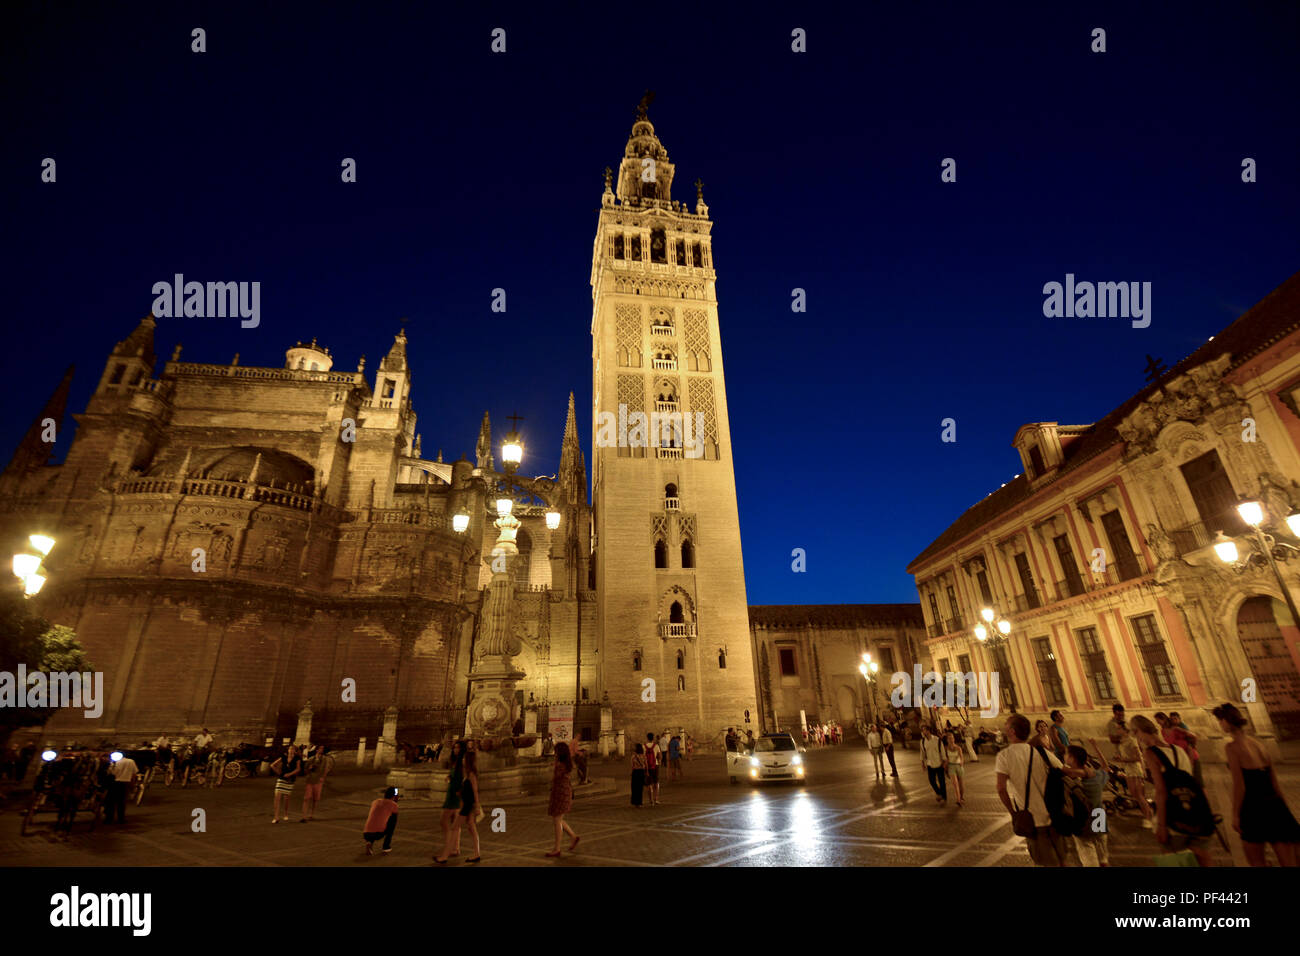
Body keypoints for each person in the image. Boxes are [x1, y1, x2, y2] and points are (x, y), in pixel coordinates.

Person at [1214, 702, 1299, 866]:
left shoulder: (1232, 748)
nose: (1220, 724)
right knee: (1289, 862)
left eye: (1220, 720)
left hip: (1253, 807)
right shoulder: (1260, 745)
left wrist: (1235, 814)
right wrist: (1284, 810)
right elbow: (1274, 782)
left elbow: (1240, 785)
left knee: (1256, 861)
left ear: (1225, 722)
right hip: (1275, 804)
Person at [1132, 715, 1214, 867]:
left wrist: (1162, 825)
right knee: (1202, 859)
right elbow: (1188, 780)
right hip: (1193, 813)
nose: (1137, 738)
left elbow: (1161, 791)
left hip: (1172, 817)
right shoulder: (1178, 750)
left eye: (1135, 733)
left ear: (1139, 731)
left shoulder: (1150, 753)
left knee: (1174, 860)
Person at [995, 713, 1071, 866]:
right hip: (1053, 814)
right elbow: (1065, 770)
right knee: (1063, 860)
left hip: (1033, 820)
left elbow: (1001, 788)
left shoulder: (1004, 756)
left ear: (1012, 732)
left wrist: (1013, 813)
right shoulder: (1040, 752)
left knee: (1045, 862)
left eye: (1006, 726)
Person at [1062, 744, 1109, 866]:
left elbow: (1065, 770)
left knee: (1086, 849)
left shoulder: (1071, 778)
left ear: (1072, 759)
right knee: (1102, 855)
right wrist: (1096, 747)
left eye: (1066, 754)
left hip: (1084, 819)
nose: (1064, 756)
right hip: (1099, 815)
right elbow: (1105, 767)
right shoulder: (1097, 776)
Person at [1107, 704, 1152, 828]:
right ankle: (1147, 815)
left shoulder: (1131, 740)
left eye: (1119, 729)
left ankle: (1149, 817)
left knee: (1139, 795)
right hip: (1128, 768)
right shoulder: (1122, 740)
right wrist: (1119, 758)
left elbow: (1138, 757)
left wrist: (1123, 759)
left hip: (1134, 769)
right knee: (1135, 795)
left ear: (1124, 729)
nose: (1117, 731)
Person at [435, 749, 481, 863]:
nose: (463, 760)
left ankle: (445, 856)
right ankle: (477, 854)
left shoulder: (471, 774)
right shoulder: (467, 773)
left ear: (469, 760)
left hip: (468, 806)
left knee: (454, 828)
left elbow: (475, 791)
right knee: (472, 829)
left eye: (465, 758)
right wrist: (460, 792)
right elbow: (468, 789)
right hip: (466, 804)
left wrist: (477, 806)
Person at [545, 741, 580, 856]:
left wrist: (554, 765)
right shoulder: (567, 763)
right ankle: (573, 837)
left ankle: (557, 848)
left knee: (557, 820)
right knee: (558, 819)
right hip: (563, 792)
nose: (555, 754)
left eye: (556, 752)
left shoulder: (560, 765)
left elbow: (555, 778)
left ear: (560, 753)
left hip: (561, 793)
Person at [435, 741, 467, 860]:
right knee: (455, 824)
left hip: (455, 796)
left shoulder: (463, 762)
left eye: (458, 747)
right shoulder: (455, 762)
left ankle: (449, 847)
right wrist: (449, 778)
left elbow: (465, 778)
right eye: (454, 748)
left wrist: (461, 791)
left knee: (443, 821)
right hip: (451, 793)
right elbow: (453, 776)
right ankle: (455, 848)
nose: (455, 750)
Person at [1155, 711, 1203, 788]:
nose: (1158, 723)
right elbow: (1169, 745)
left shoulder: (1176, 728)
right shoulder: (1163, 731)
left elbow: (1193, 737)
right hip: (1180, 759)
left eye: (1158, 721)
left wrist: (1192, 746)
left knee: (1198, 784)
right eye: (1157, 722)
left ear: (1164, 719)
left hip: (1190, 756)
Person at [103, 750, 139, 824]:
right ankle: (121, 818)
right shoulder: (131, 761)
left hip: (114, 783)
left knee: (111, 801)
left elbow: (110, 773)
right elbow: (134, 773)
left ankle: (109, 818)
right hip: (125, 783)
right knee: (122, 802)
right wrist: (133, 783)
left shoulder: (113, 762)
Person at [362, 787, 400, 855]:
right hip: (378, 834)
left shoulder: (375, 801)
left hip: (366, 833)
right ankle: (386, 847)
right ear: (394, 796)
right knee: (392, 824)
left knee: (376, 820)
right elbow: (393, 820)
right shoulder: (394, 805)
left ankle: (369, 842)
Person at [300, 744, 333, 822]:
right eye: (320, 748)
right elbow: (305, 769)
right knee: (307, 798)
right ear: (317, 750)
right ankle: (304, 816)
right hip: (310, 779)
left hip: (318, 780)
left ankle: (312, 814)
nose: (321, 750)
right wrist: (309, 768)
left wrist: (323, 778)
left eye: (322, 748)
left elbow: (326, 769)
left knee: (315, 798)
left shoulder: (325, 759)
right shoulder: (311, 759)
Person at [270, 745, 302, 823]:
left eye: (293, 749)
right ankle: (276, 817)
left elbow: (298, 769)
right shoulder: (283, 757)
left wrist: (290, 774)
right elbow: (272, 765)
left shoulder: (297, 759)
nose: (291, 750)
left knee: (286, 799)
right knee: (277, 798)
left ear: (295, 751)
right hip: (281, 779)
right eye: (290, 749)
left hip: (290, 780)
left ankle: (285, 813)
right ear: (288, 750)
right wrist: (279, 772)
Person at [919, 725, 947, 805]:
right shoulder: (922, 741)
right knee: (931, 781)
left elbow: (942, 751)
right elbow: (922, 752)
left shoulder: (937, 740)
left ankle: (944, 798)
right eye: (922, 730)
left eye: (924, 730)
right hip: (930, 763)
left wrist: (944, 761)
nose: (923, 732)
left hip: (939, 763)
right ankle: (939, 793)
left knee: (942, 782)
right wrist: (922, 763)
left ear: (928, 731)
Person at [943, 732, 965, 807]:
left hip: (958, 766)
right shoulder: (946, 748)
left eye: (952, 738)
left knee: (961, 784)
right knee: (955, 784)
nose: (951, 740)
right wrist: (945, 765)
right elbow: (945, 758)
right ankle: (958, 799)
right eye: (949, 738)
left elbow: (961, 757)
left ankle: (961, 797)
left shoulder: (958, 748)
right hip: (951, 766)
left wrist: (961, 762)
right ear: (947, 740)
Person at [644, 732, 661, 805]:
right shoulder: (656, 746)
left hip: (647, 767)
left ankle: (650, 800)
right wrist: (659, 762)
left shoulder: (643, 746)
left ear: (647, 738)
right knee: (656, 782)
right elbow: (660, 756)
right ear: (653, 738)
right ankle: (656, 799)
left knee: (649, 784)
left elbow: (643, 757)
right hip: (655, 765)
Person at [631, 743, 646, 807]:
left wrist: (632, 772)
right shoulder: (644, 756)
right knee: (640, 788)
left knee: (634, 788)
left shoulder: (633, 756)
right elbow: (646, 765)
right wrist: (646, 772)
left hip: (635, 772)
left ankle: (635, 802)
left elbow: (632, 766)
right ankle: (640, 802)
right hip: (641, 772)